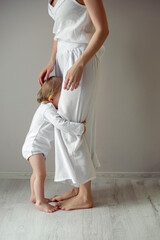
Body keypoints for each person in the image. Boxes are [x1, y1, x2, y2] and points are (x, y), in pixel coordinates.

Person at [38, 0, 109, 211]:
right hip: (62, 60)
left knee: (72, 125)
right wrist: (51, 61)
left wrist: (80, 64)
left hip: (80, 58)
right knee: (67, 124)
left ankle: (85, 196)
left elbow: (103, 30)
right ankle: (78, 187)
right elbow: (59, 32)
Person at [22, 76, 86, 213]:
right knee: (40, 175)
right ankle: (39, 202)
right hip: (34, 147)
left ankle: (34, 196)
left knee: (35, 174)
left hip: (34, 146)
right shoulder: (48, 109)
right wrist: (80, 128)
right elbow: (60, 124)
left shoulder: (46, 107)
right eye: (63, 97)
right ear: (51, 98)